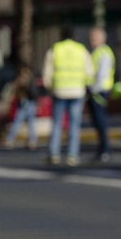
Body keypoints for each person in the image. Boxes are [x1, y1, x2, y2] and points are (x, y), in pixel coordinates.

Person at [42, 27, 90, 166]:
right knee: (74, 124)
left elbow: (47, 74)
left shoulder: (55, 49)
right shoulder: (81, 49)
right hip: (77, 91)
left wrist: (50, 88)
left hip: (59, 91)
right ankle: (72, 155)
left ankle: (54, 154)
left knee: (57, 124)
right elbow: (89, 71)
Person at [86, 25, 118, 162]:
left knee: (100, 121)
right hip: (96, 90)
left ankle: (105, 150)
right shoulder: (97, 52)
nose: (91, 40)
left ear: (102, 38)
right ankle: (101, 150)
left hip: (99, 91)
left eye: (94, 37)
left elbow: (101, 74)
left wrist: (93, 90)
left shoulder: (103, 52)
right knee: (97, 121)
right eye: (90, 37)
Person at [1, 66, 42, 150]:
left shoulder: (29, 81)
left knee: (23, 121)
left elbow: (32, 92)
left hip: (28, 102)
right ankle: (30, 140)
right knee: (24, 122)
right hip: (24, 103)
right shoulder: (21, 80)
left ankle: (12, 139)